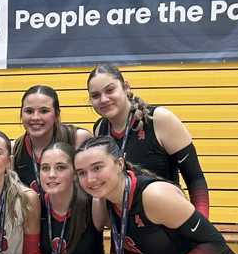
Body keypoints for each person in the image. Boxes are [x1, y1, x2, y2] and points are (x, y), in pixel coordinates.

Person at [75, 136, 238, 254]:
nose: (90, 179)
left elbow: (214, 244)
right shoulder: (105, 201)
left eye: (97, 168)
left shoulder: (154, 196)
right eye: (82, 173)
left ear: (119, 164)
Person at [88, 63, 209, 217]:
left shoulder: (159, 119)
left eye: (110, 90)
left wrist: (200, 227)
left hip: (168, 227)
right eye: (95, 95)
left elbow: (195, 179)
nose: (103, 99)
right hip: (125, 233)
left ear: (126, 87)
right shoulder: (100, 130)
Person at [38, 143, 117, 254]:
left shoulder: (93, 202)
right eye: (45, 168)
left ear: (75, 173)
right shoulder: (35, 206)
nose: (51, 175)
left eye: (60, 167)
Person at [12, 85, 90, 193]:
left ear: (57, 114)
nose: (35, 117)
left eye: (44, 111)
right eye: (29, 111)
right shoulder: (15, 150)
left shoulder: (78, 139)